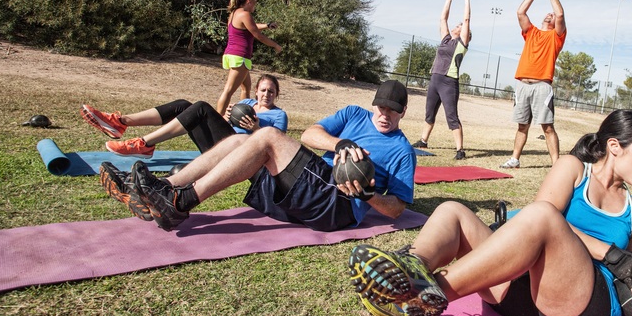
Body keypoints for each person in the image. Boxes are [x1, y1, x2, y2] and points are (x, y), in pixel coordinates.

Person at [348, 110, 632, 316]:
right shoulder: (573, 168)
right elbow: (550, 218)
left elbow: (622, 276)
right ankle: (411, 267)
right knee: (452, 210)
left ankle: (424, 300)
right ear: (615, 147)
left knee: (542, 216)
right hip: (520, 297)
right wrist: (612, 253)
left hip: (581, 309)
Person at [118, 80, 415, 232]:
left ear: (403, 112)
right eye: (380, 106)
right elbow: (309, 135)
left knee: (268, 136)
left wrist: (369, 194)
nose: (384, 114)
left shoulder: (402, 151)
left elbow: (396, 209)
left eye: (392, 110)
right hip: (315, 183)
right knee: (238, 140)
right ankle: (165, 188)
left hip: (338, 205)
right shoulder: (354, 114)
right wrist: (339, 143)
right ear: (373, 103)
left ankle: (180, 202)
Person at [81, 74, 288, 157]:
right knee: (182, 105)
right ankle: (120, 122)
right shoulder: (246, 103)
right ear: (256, 91)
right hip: (219, 143)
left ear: (276, 94)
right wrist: (225, 117)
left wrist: (256, 129)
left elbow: (274, 148)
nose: (266, 94)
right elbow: (224, 124)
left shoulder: (279, 116)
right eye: (263, 90)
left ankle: (144, 143)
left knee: (200, 107)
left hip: (236, 154)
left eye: (271, 91)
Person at [500, 0, 567, 169]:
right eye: (548, 13)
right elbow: (520, 12)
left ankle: (556, 165)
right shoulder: (531, 32)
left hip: (542, 87)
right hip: (523, 85)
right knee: (522, 126)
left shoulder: (556, 37)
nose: (550, 15)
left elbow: (561, 15)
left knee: (547, 127)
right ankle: (515, 159)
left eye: (552, 15)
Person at [412, 0, 472, 160]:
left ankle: (460, 150)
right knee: (429, 113)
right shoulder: (446, 39)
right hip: (435, 79)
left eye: (460, 26)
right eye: (457, 25)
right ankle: (423, 141)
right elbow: (442, 18)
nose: (457, 25)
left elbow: (467, 19)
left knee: (451, 116)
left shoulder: (461, 43)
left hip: (448, 82)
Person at [215, 0, 283, 116]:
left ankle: (242, 116)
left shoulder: (235, 13)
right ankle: (218, 118)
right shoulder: (245, 14)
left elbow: (252, 25)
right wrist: (275, 45)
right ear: (249, 0)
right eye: (255, 2)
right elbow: (258, 35)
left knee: (246, 88)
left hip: (233, 54)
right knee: (228, 90)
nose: (255, 6)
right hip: (239, 56)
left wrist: (267, 25)